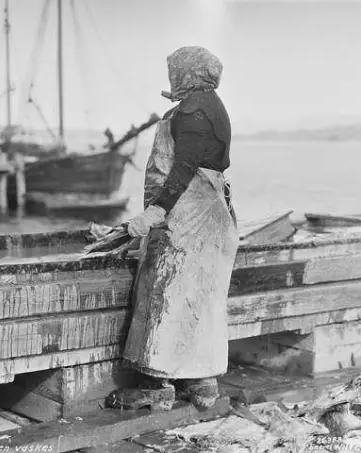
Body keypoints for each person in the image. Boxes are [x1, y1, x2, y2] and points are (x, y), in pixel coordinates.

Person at [110, 46, 239, 411]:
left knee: (164, 291)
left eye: (175, 72)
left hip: (188, 216)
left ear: (188, 73)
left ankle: (156, 385)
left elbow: (183, 167)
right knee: (201, 300)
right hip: (211, 215)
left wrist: (155, 211)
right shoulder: (210, 105)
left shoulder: (194, 111)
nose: (172, 78)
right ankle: (201, 383)